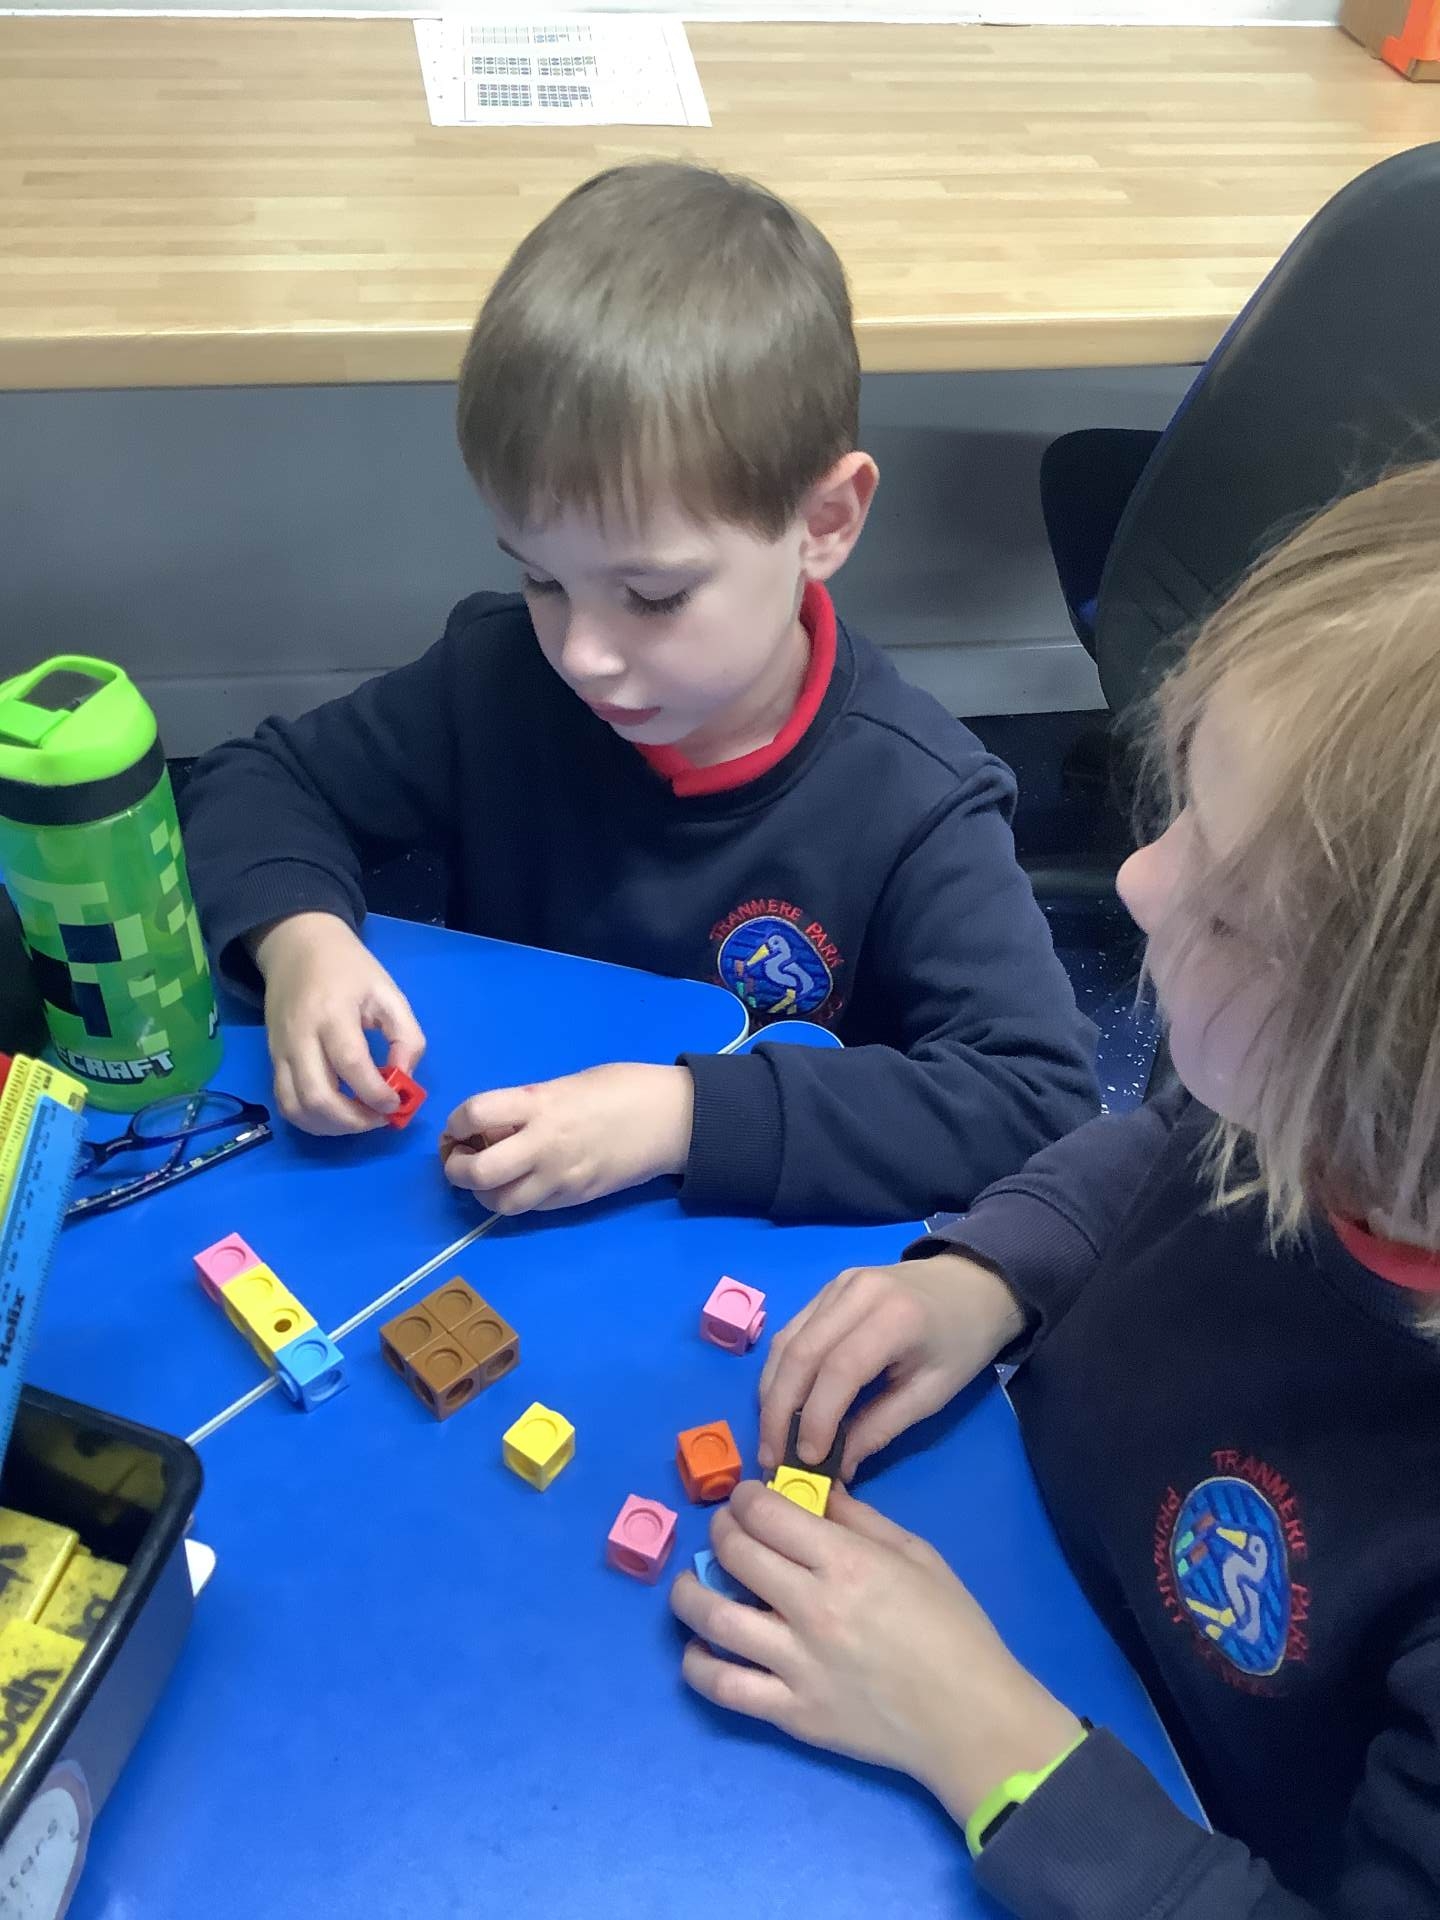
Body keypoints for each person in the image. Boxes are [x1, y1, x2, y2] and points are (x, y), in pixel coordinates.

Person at [673, 464, 1440, 1913]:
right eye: (1183, 809)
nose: (1137, 883)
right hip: (1029, 1544)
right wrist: (992, 1275)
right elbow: (1173, 1139)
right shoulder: (1315, 1108)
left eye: (1229, 910)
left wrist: (988, 1740)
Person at [180, 160, 1096, 1225]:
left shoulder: (915, 798)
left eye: (653, 596)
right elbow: (258, 783)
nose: (582, 654)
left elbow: (1038, 1100)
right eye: (542, 578)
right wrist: (300, 940)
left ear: (824, 524)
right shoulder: (499, 679)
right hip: (483, 1187)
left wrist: (682, 1118)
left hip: (724, 1238)